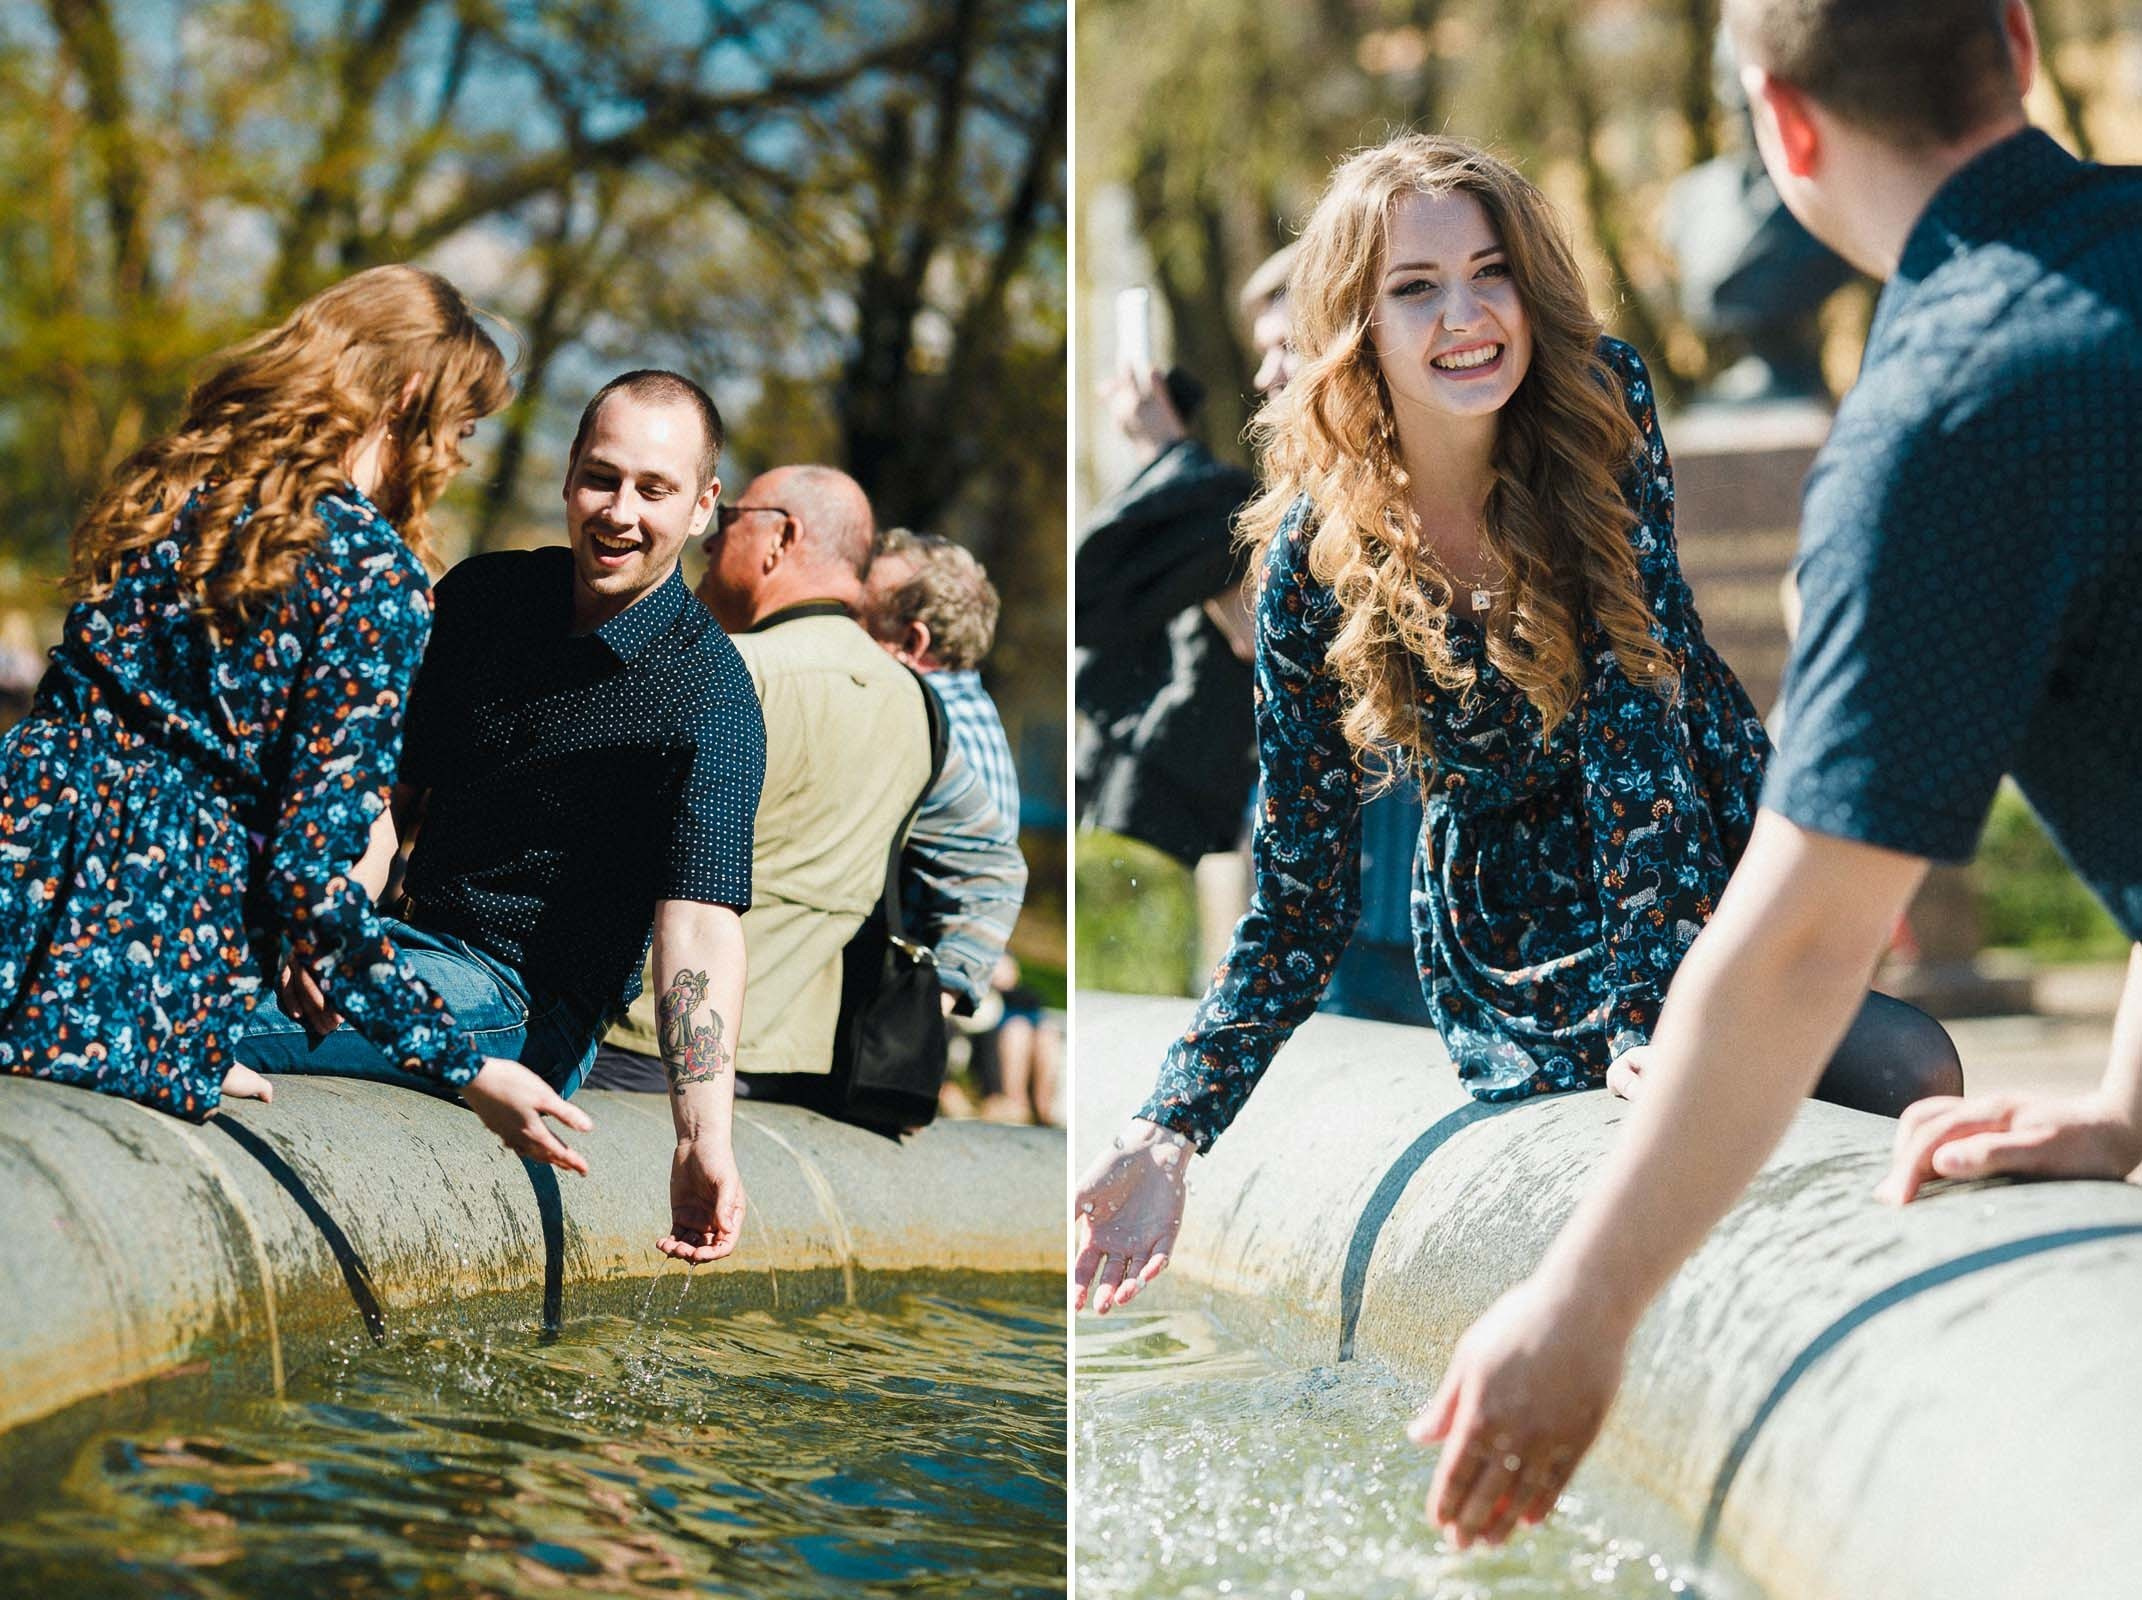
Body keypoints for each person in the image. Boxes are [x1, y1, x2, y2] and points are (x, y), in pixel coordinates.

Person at [1416, 0, 2142, 1549]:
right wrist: (2125, 1107)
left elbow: (1809, 938)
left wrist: (1579, 1309)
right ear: (2015, 43)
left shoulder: (1945, 417)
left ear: (1782, 126)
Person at [1074, 133, 1962, 1314]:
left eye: (1490, 271)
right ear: (1357, 322)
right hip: (1522, 930)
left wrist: (1661, 1003)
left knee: (1914, 1064)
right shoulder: (1310, 562)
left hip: (1698, 836)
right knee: (1826, 1080)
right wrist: (1170, 1125)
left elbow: (1636, 717)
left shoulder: (1602, 402)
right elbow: (1299, 898)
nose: (1467, 314)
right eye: (1415, 287)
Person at [0, 265, 590, 1164]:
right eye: (460, 429)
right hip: (134, 936)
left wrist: (188, 1022)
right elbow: (310, 879)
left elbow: (67, 717)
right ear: (408, 398)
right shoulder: (372, 575)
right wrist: (467, 1066)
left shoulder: (171, 492)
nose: (459, 457)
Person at [238, 368, 764, 1261]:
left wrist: (700, 1135)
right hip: (404, 942)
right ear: (568, 475)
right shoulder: (486, 599)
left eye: (655, 489)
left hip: (518, 1007)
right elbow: (384, 797)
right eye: (602, 477)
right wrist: (330, 924)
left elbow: (700, 926)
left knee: (196, 1001)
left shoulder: (709, 696)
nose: (619, 512)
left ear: (704, 505)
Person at [1074, 298, 1259, 867]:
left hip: (1179, 788)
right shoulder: (1226, 508)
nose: (1266, 373)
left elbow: (1251, 634)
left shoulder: (1233, 506)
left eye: (1287, 348)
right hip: (1157, 786)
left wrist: (1164, 448)